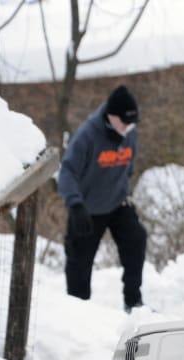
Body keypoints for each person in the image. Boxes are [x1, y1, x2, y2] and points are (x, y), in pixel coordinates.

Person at [57, 84, 147, 313]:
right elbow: (67, 172)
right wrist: (75, 204)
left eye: (132, 123)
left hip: (117, 203)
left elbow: (129, 165)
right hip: (86, 208)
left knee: (136, 240)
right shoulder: (87, 135)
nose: (128, 128)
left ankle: (133, 301)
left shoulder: (130, 132)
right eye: (124, 123)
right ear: (111, 116)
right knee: (79, 264)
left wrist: (123, 189)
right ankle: (78, 310)